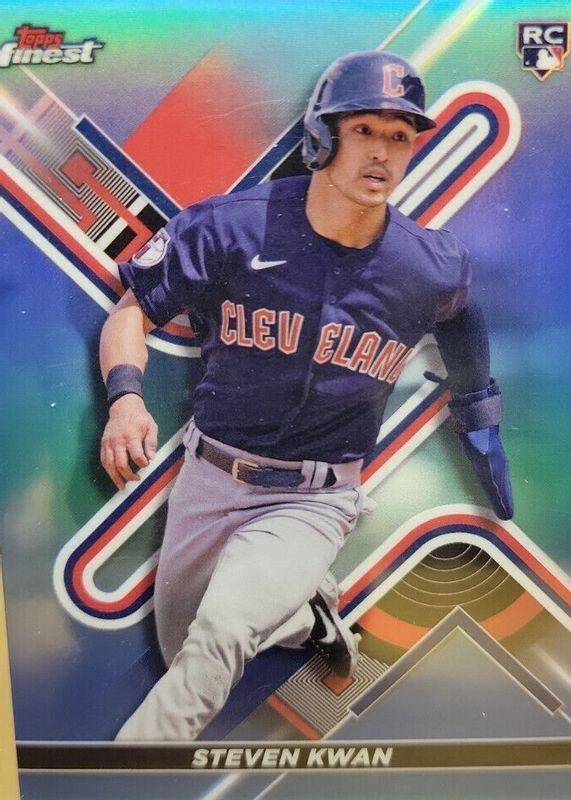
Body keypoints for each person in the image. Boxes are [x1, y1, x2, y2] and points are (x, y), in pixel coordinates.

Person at [99, 51, 513, 741]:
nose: (381, 152)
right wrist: (125, 399)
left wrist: (479, 417)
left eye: (399, 136)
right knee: (182, 649)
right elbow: (132, 311)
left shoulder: (426, 264)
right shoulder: (230, 227)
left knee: (220, 636)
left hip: (315, 496)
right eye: (364, 130)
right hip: (210, 475)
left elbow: (462, 318)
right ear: (322, 136)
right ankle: (307, 614)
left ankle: (124, 775)